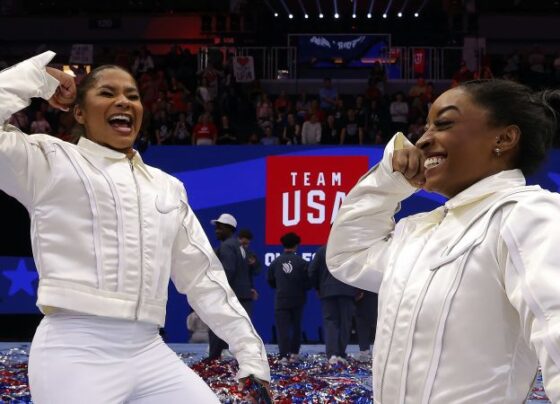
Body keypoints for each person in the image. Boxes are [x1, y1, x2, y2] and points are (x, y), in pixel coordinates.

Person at [0, 51, 270, 403]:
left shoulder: (166, 187)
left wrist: (250, 354)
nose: (123, 101)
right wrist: (42, 80)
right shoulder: (48, 162)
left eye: (132, 95)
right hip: (74, 351)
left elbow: (202, 277)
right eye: (107, 93)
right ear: (79, 112)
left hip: (148, 351)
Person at [326, 79, 560, 402]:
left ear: (504, 138)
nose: (422, 140)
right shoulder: (419, 231)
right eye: (425, 127)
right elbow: (347, 255)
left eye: (444, 123)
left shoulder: (527, 214)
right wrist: (387, 179)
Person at [208, 213, 258, 360]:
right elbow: (244, 271)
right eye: (216, 228)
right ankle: (229, 355)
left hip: (229, 294)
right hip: (241, 295)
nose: (216, 231)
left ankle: (214, 357)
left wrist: (218, 291)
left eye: (220, 228)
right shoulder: (238, 246)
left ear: (230, 229)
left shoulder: (227, 246)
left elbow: (228, 270)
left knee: (217, 323)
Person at [309, 245, 356, 365]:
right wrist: (358, 290)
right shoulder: (350, 249)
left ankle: (332, 355)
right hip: (347, 291)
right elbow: (358, 270)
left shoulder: (323, 250)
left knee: (331, 323)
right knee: (345, 323)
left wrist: (318, 287)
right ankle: (340, 354)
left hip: (328, 291)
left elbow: (312, 271)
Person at [267, 232, 310, 364]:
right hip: (298, 299)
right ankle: (294, 355)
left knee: (282, 329)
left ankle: (283, 356)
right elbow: (308, 282)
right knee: (296, 327)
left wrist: (281, 287)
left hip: (281, 299)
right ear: (296, 246)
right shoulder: (302, 263)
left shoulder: (275, 263)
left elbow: (270, 281)